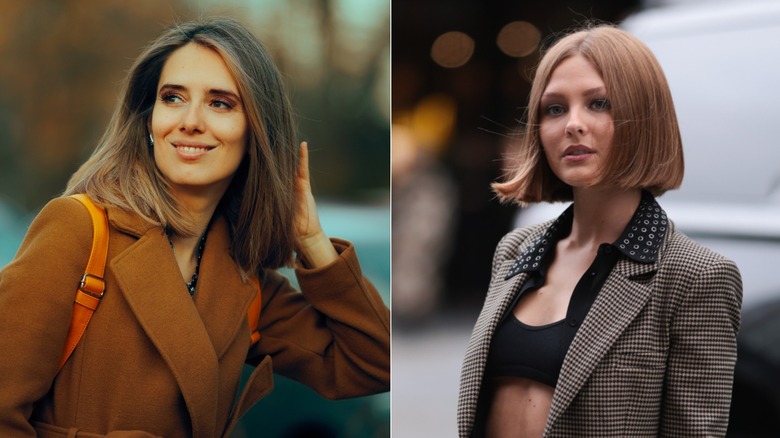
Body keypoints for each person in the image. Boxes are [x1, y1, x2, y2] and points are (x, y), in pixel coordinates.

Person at [0, 18, 390, 437]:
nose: (190, 121)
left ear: (256, 131)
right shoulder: (79, 228)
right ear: (148, 119)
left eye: (220, 103)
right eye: (173, 98)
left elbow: (376, 363)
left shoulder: (245, 282)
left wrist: (312, 240)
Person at [457, 24, 742, 437]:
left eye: (599, 103)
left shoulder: (695, 276)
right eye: (555, 109)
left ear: (644, 118)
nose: (572, 124)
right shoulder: (515, 250)